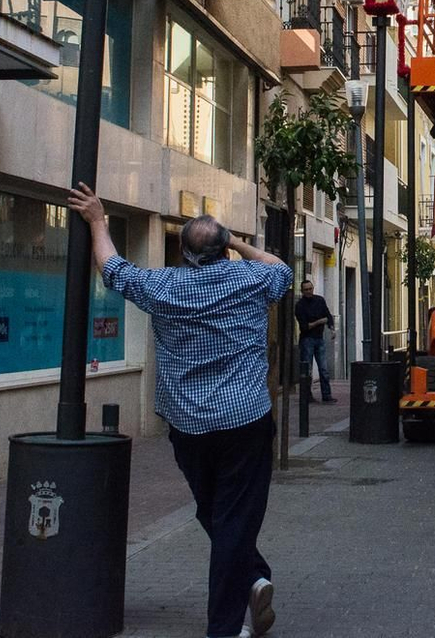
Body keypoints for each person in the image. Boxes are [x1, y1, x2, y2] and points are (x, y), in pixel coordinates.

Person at [68, 183, 290, 638]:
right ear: (223, 250)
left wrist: (97, 220)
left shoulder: (162, 286)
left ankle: (247, 586)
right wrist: (237, 242)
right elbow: (280, 268)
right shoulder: (250, 280)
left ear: (185, 254)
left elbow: (112, 268)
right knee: (231, 518)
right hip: (245, 420)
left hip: (189, 426)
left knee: (214, 512)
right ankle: (233, 614)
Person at [294, 278, 336, 405]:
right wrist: (319, 322)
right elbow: (304, 327)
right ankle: (307, 395)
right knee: (307, 370)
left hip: (319, 338)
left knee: (324, 369)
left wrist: (332, 328)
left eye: (310, 289)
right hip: (307, 339)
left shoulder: (319, 300)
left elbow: (327, 315)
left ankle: (326, 395)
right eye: (306, 290)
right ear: (302, 291)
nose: (309, 292)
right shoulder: (300, 305)